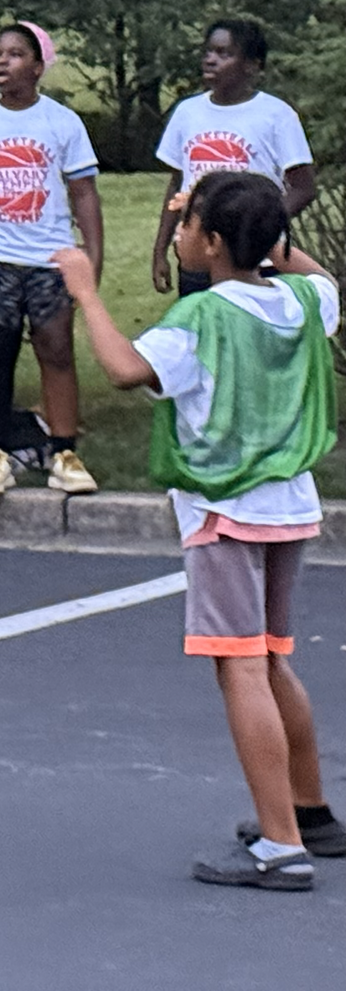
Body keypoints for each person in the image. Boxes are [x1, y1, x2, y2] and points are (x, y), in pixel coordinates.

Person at [57, 171, 341, 890]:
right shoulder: (306, 299)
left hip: (223, 509)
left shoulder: (201, 319)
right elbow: (316, 272)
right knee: (274, 656)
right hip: (289, 503)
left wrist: (87, 290)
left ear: (211, 242)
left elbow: (125, 369)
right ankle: (308, 811)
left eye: (189, 223)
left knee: (240, 663)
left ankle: (279, 847)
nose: (179, 230)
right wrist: (260, 227)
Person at [0, 22, 105, 497]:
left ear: (37, 66)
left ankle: (65, 452)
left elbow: (85, 194)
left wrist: (91, 256)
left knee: (55, 349)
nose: (1, 62)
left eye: (14, 54)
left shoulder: (61, 123)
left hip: (50, 257)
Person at [152, 20, 316, 298]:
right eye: (208, 52)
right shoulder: (187, 112)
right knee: (203, 336)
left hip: (257, 261)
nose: (210, 60)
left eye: (223, 54)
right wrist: (160, 250)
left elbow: (304, 188)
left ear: (252, 65)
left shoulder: (276, 115)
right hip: (199, 259)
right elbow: (177, 186)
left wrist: (260, 226)